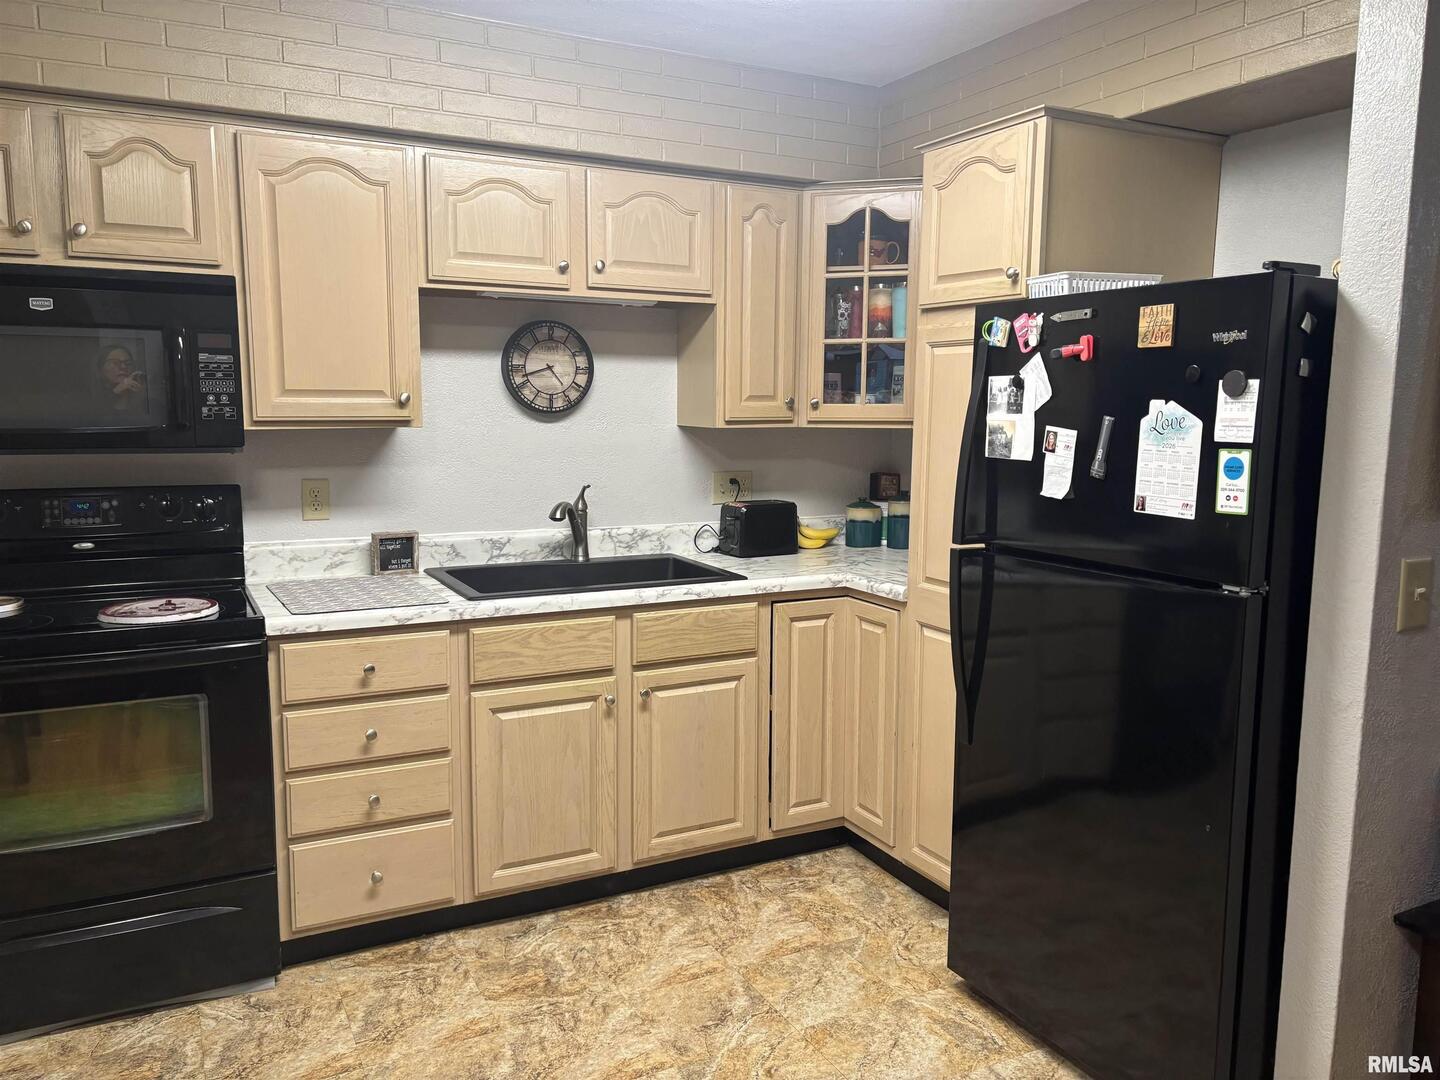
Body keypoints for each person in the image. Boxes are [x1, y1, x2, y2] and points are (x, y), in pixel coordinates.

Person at [96, 345, 144, 412]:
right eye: (115, 363)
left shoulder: (147, 402)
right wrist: (116, 392)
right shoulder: (92, 405)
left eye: (128, 363)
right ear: (101, 370)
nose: (123, 366)